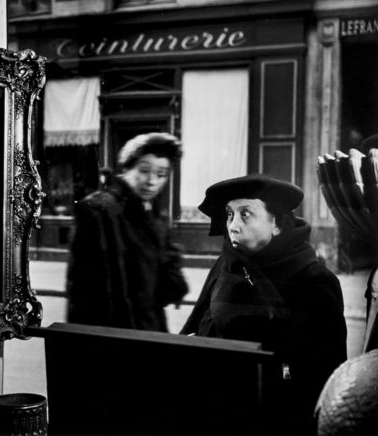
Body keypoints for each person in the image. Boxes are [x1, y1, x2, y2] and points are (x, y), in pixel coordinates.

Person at [180, 173, 347, 435]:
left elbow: (325, 378)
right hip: (217, 411)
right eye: (229, 214)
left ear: (276, 224)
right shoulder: (226, 265)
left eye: (245, 214)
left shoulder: (314, 281)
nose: (233, 226)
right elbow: (201, 328)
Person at [66, 132, 188, 332]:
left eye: (161, 175)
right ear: (127, 168)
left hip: (148, 329)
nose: (152, 181)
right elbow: (82, 293)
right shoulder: (99, 210)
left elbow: (164, 282)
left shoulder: (154, 216)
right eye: (144, 170)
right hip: (113, 336)